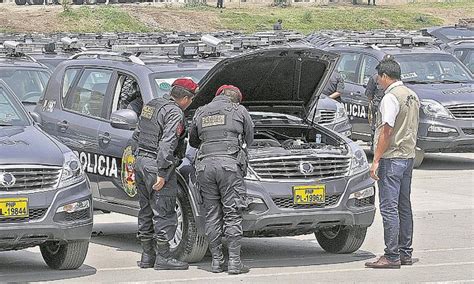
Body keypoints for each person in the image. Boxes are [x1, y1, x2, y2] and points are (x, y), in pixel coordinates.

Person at [132, 78, 198, 271]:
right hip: (156, 165)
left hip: (141, 162)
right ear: (185, 98)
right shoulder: (174, 112)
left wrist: (137, 159)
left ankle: (147, 255)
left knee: (145, 210)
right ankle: (164, 257)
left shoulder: (151, 105)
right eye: (191, 99)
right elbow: (167, 143)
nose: (191, 103)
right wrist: (162, 171)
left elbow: (137, 134)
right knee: (164, 211)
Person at [189, 85, 254, 275]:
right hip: (229, 167)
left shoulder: (201, 111)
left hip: (205, 167)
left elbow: (193, 141)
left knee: (212, 213)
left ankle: (217, 262)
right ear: (236, 99)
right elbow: (249, 138)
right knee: (232, 213)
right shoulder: (239, 110)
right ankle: (234, 262)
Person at [365, 58, 420, 269]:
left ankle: (392, 255)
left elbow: (387, 130)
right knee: (404, 206)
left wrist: (376, 159)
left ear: (386, 76)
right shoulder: (412, 95)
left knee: (389, 209)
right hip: (407, 157)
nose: (378, 82)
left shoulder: (390, 98)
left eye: (379, 78)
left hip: (392, 157)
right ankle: (405, 252)